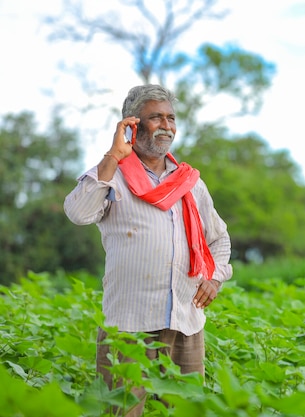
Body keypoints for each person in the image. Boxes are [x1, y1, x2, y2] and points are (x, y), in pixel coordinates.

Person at [64, 84, 233, 416]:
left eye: (171, 118)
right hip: (128, 326)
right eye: (156, 117)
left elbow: (220, 240)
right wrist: (114, 155)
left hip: (185, 322)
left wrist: (213, 278)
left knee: (186, 411)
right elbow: (78, 213)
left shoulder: (191, 183)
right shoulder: (112, 176)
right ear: (132, 124)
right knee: (124, 412)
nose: (166, 125)